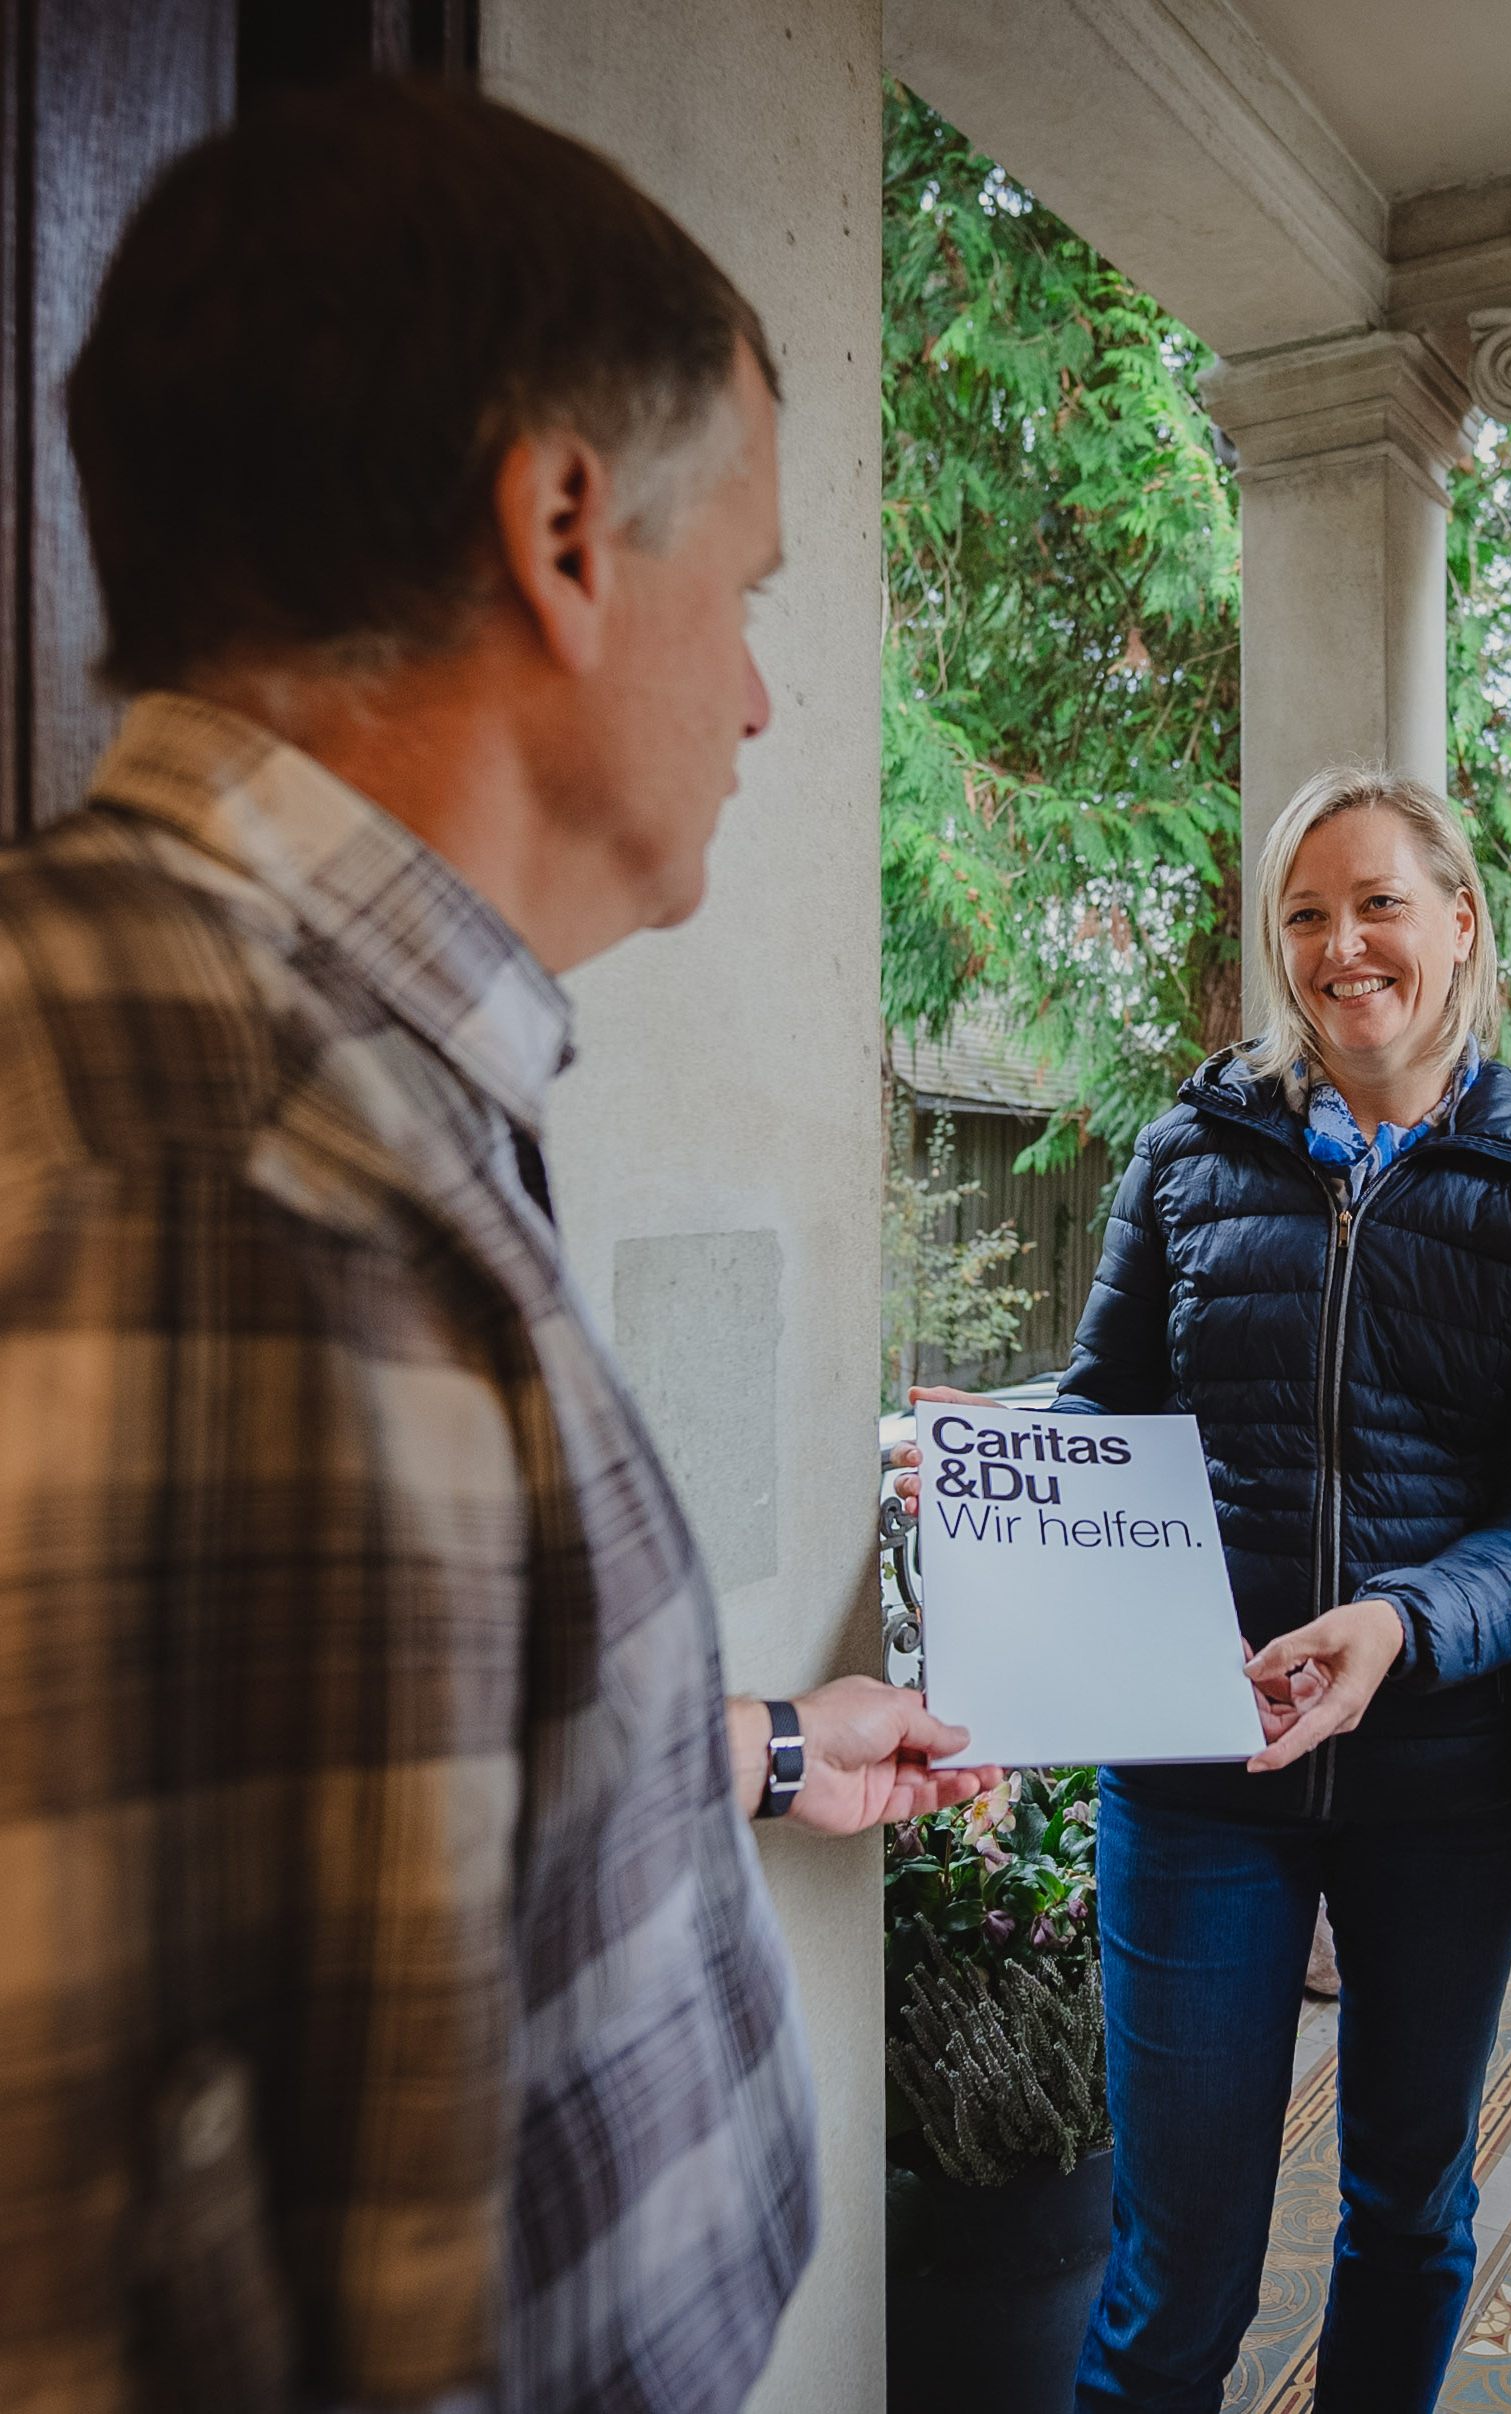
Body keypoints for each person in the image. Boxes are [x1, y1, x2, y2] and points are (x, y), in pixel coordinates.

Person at [0, 83, 993, 2412]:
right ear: (561, 527)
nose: (757, 693)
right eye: (741, 591)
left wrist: (750, 1749)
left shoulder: (278, 1084)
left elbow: (351, 1836)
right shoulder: (235, 1197)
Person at [904, 768, 1511, 2411]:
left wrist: (1406, 1622)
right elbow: (1111, 1400)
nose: (1340, 942)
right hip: (1192, 1764)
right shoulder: (1193, 1146)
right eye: (1305, 911)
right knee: (1181, 2260)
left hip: (1448, 1774)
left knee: (1403, 2204)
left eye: (1379, 901)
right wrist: (987, 1463)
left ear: (1460, 925)